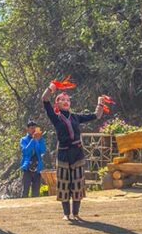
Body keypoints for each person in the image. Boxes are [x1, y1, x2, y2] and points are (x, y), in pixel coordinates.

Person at [41, 80, 107, 221]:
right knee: (64, 184)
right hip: (64, 153)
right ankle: (66, 214)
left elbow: (97, 115)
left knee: (77, 183)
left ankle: (76, 213)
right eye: (62, 100)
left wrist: (100, 103)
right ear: (57, 104)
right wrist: (51, 88)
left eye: (67, 100)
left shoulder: (76, 117)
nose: (65, 102)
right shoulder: (55, 117)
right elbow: (45, 99)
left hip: (77, 153)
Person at [19, 119, 46, 198]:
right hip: (27, 167)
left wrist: (40, 140)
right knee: (25, 190)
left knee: (36, 191)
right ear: (27, 129)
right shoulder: (23, 140)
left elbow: (43, 150)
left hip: (37, 167)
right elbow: (25, 151)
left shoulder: (40, 139)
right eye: (31, 128)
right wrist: (33, 140)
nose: (33, 130)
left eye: (35, 128)